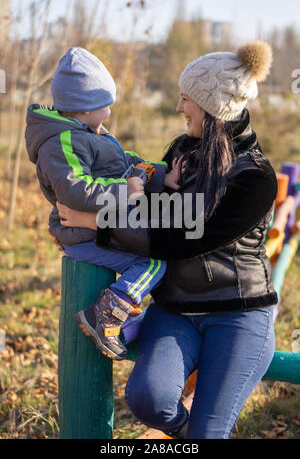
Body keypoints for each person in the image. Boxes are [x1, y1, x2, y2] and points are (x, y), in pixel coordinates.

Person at [55, 40, 278, 439]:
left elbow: (180, 238)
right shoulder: (181, 152)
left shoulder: (254, 177)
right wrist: (81, 231)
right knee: (146, 399)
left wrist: (94, 223)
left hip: (238, 313)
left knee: (210, 432)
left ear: (212, 108)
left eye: (186, 98)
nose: (178, 108)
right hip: (176, 309)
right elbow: (145, 212)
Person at [25, 47, 185, 361]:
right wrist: (124, 190)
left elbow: (125, 163)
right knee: (153, 263)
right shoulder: (61, 142)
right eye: (104, 106)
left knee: (155, 258)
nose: (109, 114)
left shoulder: (91, 133)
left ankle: (125, 319)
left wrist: (160, 176)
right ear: (83, 108)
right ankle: (107, 314)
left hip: (101, 225)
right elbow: (74, 189)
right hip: (82, 233)